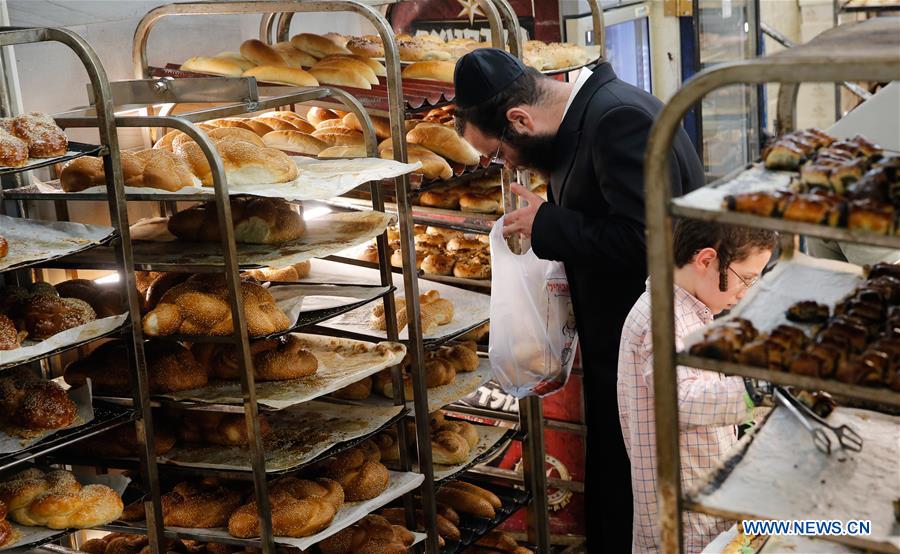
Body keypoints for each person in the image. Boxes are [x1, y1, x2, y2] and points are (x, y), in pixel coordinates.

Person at [452, 49, 705, 550]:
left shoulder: (617, 120)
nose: (507, 165)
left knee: (640, 485)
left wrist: (550, 224)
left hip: (649, 345)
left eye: (501, 152)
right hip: (625, 340)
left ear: (519, 120)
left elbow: (649, 242)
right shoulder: (597, 113)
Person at [617, 219, 777, 552]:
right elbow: (683, 401)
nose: (745, 293)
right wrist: (761, 391)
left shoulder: (692, 311)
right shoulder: (660, 318)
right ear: (706, 260)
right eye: (745, 279)